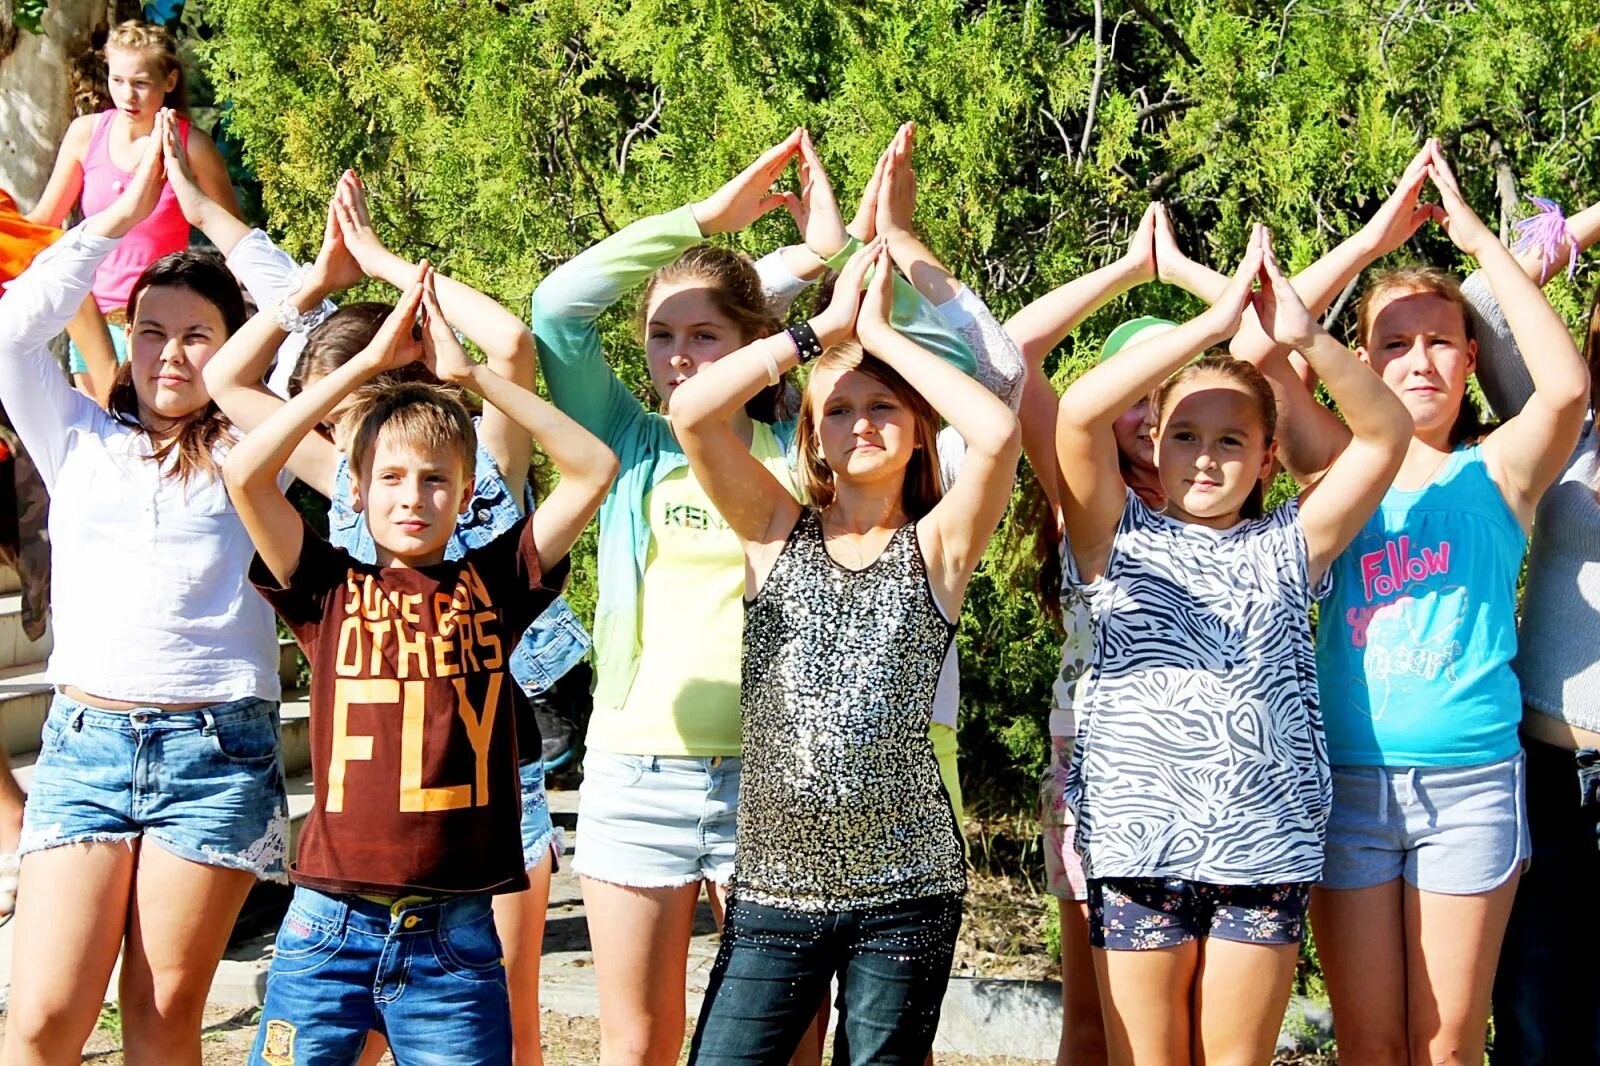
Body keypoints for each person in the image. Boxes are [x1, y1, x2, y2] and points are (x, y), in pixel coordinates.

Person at [532, 129, 975, 1065]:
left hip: (780, 784)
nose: (682, 358)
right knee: (637, 1041)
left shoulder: (801, 458)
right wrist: (714, 226)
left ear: (751, 344)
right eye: (662, 337)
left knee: (791, 1045)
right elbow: (558, 308)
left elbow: (959, 383)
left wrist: (836, 268)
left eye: (707, 338)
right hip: (637, 767)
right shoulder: (633, 438)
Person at [183, 150, 590, 1065]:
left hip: (484, 780)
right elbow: (233, 398)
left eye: (403, 374)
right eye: (367, 412)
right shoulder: (350, 497)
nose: (411, 487)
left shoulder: (479, 469)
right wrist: (330, 302)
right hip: (358, 839)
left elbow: (514, 346)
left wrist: (394, 276)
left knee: (508, 1002)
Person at [1251, 144, 1590, 1066]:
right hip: (1350, 787)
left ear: (1471, 354)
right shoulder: (1336, 462)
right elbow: (1254, 349)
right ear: (1360, 361)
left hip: (1474, 787)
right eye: (1393, 344)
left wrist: (1479, 240)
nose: (1419, 360)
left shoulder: (1503, 471)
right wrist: (1369, 239)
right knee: (1370, 1043)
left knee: (1445, 1048)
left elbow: (1564, 387)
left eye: (1440, 340)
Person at [1055, 225, 1412, 1066]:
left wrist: (1307, 339)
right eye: (1184, 435)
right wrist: (1211, 325)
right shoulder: (1116, 536)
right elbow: (1076, 413)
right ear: (1154, 443)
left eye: (1229, 441)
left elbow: (1385, 435)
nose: (1205, 458)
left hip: (1262, 853)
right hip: (1136, 849)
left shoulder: (1294, 542)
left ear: (1264, 459)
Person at [672, 239, 1019, 1064]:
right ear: (812, 437)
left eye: (884, 407)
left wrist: (884, 337)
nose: (860, 422)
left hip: (908, 889)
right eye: (838, 409)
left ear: (917, 429)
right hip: (773, 889)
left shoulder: (938, 545)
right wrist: (818, 332)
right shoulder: (771, 528)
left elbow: (999, 432)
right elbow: (692, 413)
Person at [0, 113, 288, 1066]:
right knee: (41, 1019)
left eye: (196, 336)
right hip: (86, 746)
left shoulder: (262, 445)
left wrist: (209, 211)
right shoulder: (76, 433)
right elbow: (11, 333)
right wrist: (115, 220)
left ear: (232, 346)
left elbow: (306, 319)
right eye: (151, 332)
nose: (169, 354)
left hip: (215, 750)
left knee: (163, 1019)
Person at [1455, 197, 1600, 1064]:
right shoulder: (1565, 428)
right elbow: (1482, 304)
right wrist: (1587, 224)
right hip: (1546, 768)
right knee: (1539, 1030)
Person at [25, 19, 240, 400]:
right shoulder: (85, 134)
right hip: (91, 325)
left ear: (169, 82)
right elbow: (42, 225)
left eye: (140, 83)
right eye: (117, 80)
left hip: (163, 325)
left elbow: (236, 240)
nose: (128, 95)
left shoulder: (192, 146)